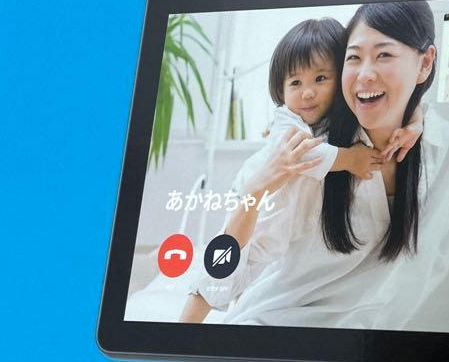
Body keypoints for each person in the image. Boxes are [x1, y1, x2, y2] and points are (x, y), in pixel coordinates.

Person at [211, 0, 449, 329]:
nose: (365, 74)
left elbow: (433, 264)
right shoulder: (309, 154)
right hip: (282, 322)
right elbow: (241, 261)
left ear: (426, 63)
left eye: (384, 55)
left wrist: (417, 121)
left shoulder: (446, 149)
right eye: (354, 58)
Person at [179, 16, 424, 322]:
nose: (307, 92)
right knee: (219, 271)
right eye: (296, 83)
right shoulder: (287, 120)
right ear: (281, 89)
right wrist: (351, 159)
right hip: (261, 213)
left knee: (247, 281)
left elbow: (407, 100)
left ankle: (235, 311)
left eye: (320, 79)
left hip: (284, 226)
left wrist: (416, 123)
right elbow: (305, 155)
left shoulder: (340, 119)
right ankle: (184, 327)